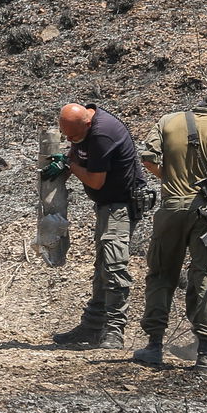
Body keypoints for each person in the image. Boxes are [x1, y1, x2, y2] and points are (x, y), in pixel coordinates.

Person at [133, 86, 207, 371]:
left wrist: (170, 179)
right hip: (204, 214)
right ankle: (205, 351)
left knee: (160, 275)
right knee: (205, 276)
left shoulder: (167, 121)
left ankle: (154, 346)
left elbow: (147, 158)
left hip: (170, 209)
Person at [45, 102, 147, 350]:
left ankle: (114, 330)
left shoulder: (102, 134)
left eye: (73, 136)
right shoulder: (83, 128)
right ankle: (92, 326)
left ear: (87, 123)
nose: (70, 139)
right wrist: (64, 163)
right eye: (66, 135)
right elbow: (78, 155)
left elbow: (96, 180)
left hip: (120, 205)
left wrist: (70, 166)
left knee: (113, 265)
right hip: (106, 206)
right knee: (103, 265)